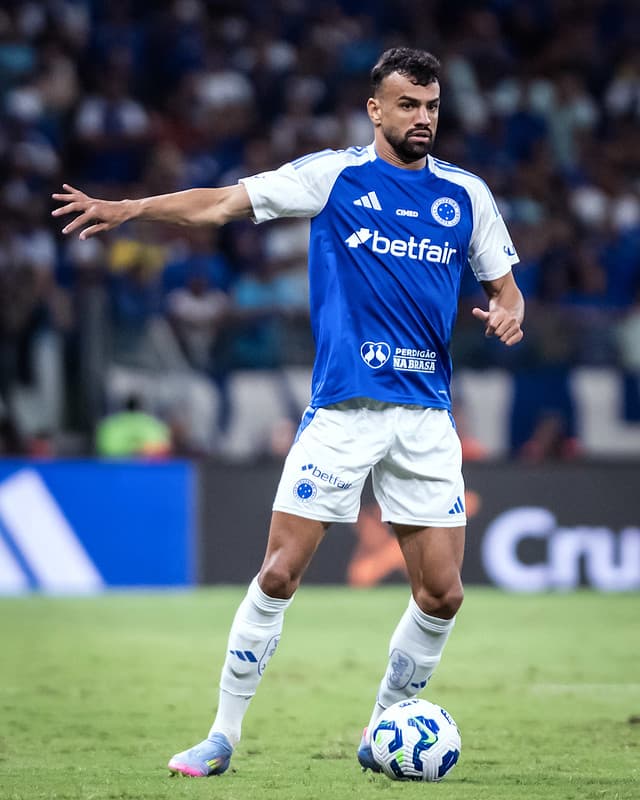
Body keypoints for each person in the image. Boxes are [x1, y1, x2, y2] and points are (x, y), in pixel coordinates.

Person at [52, 47, 524, 778]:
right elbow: (221, 203)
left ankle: (381, 730)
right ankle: (221, 736)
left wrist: (507, 312)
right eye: (408, 105)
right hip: (343, 412)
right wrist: (132, 210)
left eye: (431, 106)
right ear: (376, 110)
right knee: (278, 574)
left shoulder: (466, 196)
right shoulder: (333, 176)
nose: (423, 117)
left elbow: (506, 286)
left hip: (427, 418)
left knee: (443, 592)